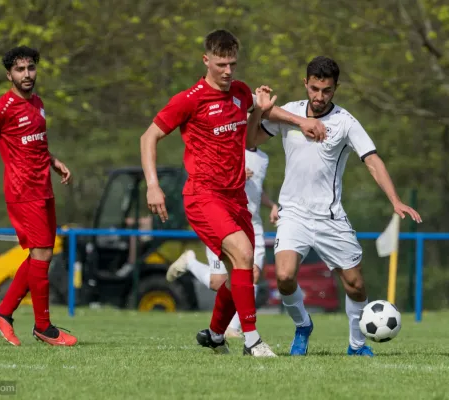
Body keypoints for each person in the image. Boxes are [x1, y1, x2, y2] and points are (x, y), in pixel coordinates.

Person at [140, 29, 326, 357]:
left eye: (233, 64)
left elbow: (264, 111)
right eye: (221, 64)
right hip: (203, 196)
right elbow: (148, 137)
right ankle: (251, 339)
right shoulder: (189, 99)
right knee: (242, 253)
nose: (228, 71)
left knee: (240, 271)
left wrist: (300, 121)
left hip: (236, 197)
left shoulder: (239, 92)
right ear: (206, 60)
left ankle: (215, 335)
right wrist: (153, 185)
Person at [247, 56, 422, 357]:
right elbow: (250, 140)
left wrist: (395, 200)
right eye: (314, 89)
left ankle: (356, 345)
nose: (319, 96)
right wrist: (264, 113)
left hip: (330, 217)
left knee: (355, 285)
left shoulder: (345, 122)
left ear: (335, 88)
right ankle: (303, 325)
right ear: (305, 83)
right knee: (285, 276)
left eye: (326, 90)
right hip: (293, 214)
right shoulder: (290, 112)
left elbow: (372, 160)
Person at [0, 46, 77, 347]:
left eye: (30, 68)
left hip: (44, 188)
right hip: (23, 191)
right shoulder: (1, 108)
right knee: (41, 255)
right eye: (19, 69)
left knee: (42, 255)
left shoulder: (38, 103)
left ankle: (3, 313)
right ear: (9, 75)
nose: (26, 74)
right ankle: (44, 327)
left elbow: (35, 144)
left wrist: (54, 162)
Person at [165, 144, 279, 339]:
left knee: (250, 275)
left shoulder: (263, 158)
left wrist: (272, 205)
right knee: (218, 282)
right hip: (225, 220)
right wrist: (236, 175)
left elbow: (256, 190)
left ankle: (233, 328)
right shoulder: (229, 146)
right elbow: (209, 178)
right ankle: (190, 262)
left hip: (253, 224)